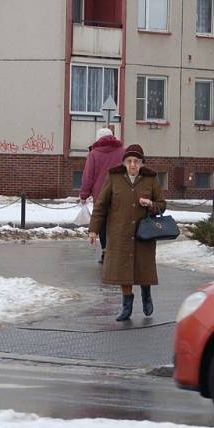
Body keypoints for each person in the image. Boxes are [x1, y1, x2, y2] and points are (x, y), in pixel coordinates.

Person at [88, 144, 166, 321]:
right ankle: (127, 306)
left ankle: (146, 296)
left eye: (136, 161)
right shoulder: (114, 178)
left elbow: (162, 204)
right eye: (129, 161)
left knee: (143, 268)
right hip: (120, 233)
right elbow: (101, 206)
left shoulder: (150, 180)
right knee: (123, 270)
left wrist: (150, 204)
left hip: (143, 234)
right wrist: (93, 230)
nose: (132, 165)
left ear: (141, 164)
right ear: (123, 162)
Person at [79, 127, 124, 263]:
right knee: (117, 223)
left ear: (98, 138)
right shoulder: (123, 152)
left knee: (103, 223)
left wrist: (84, 194)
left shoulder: (94, 154)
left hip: (100, 194)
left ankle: (105, 252)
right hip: (120, 191)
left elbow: (88, 176)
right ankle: (117, 251)